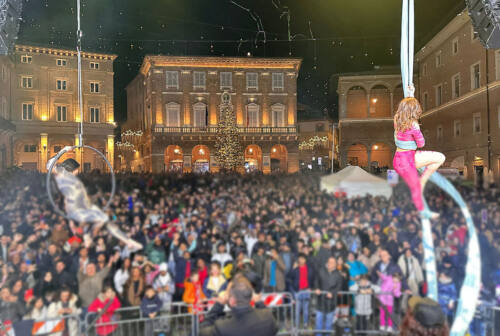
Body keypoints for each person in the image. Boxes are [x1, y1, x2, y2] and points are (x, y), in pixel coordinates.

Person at [46, 154, 142, 250]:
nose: (78, 171)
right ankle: (89, 236)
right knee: (103, 219)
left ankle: (127, 240)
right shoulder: (62, 176)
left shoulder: (72, 179)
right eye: (76, 169)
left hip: (84, 206)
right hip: (76, 209)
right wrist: (61, 153)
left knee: (105, 220)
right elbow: (49, 166)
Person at [392, 97, 446, 219]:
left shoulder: (397, 119)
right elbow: (421, 144)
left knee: (415, 188)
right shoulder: (414, 125)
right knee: (440, 158)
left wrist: (410, 91)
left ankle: (421, 204)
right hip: (408, 160)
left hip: (398, 160)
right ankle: (422, 209)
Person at [199, 274, 278, 336]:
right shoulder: (268, 317)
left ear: (232, 301)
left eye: (228, 293)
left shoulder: (222, 327)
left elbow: (202, 331)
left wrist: (218, 305)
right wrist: (259, 303)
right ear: (251, 296)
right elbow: (275, 328)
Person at [314, 256, 343, 336]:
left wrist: (332, 293)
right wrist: (317, 288)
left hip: (331, 303)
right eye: (329, 262)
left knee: (328, 325)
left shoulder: (338, 274)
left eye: (333, 262)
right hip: (320, 301)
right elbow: (316, 281)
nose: (330, 264)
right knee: (318, 324)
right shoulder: (321, 270)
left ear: (335, 264)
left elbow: (339, 286)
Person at [289, 253, 314, 327]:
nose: (301, 260)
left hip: (306, 291)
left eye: (302, 258)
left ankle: (305, 323)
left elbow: (312, 279)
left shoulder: (309, 269)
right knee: (297, 310)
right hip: (298, 291)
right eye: (299, 258)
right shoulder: (295, 269)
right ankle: (296, 324)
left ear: (305, 260)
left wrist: (310, 287)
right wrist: (293, 269)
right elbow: (289, 278)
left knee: (306, 309)